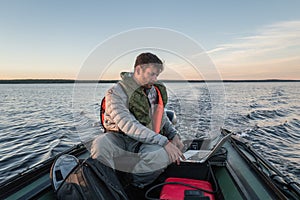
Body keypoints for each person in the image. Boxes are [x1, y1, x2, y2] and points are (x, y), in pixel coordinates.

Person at [91, 52, 185, 190]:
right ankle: (107, 186)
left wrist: (173, 135)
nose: (154, 79)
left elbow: (161, 116)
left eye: (157, 75)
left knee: (160, 157)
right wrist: (164, 142)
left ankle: (134, 186)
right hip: (119, 137)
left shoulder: (153, 92)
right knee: (100, 145)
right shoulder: (115, 92)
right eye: (151, 74)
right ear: (138, 70)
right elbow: (128, 125)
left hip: (143, 140)